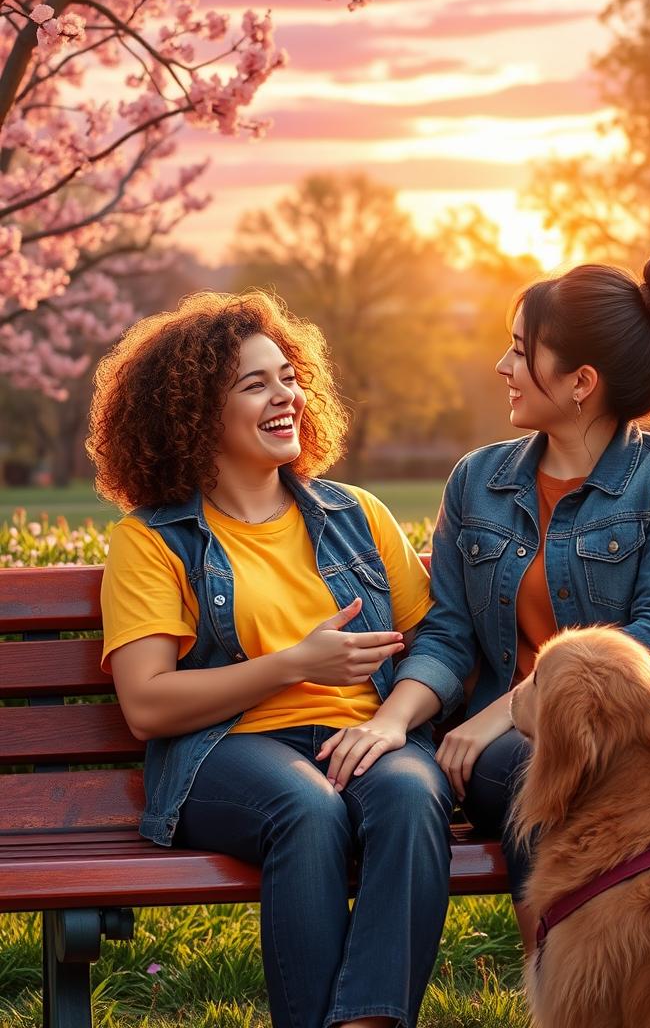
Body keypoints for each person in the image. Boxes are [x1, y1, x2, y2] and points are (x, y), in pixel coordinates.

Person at [88, 290, 454, 1028]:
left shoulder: (358, 517)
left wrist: (390, 722)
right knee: (307, 809)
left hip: (363, 736)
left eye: (288, 377)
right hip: (229, 752)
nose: (285, 395)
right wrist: (294, 663)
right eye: (255, 384)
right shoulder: (154, 541)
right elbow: (148, 704)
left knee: (416, 793)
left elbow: (441, 639)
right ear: (193, 414)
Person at [395, 252, 650, 955]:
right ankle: (569, 990)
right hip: (517, 753)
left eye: (523, 351)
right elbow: (449, 634)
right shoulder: (477, 481)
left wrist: (502, 711)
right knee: (539, 775)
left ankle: (609, 989)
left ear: (582, 382)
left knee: (558, 775)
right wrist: (397, 717)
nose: (503, 364)